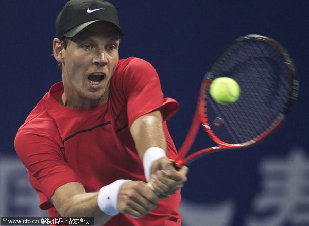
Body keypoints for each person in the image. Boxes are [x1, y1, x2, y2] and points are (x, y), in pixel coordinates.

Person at [14, 0, 188, 225]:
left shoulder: (133, 75)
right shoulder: (36, 133)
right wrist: (113, 196)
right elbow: (70, 207)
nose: (101, 59)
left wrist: (155, 161)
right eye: (87, 46)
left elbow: (146, 122)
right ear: (59, 50)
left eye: (110, 47)